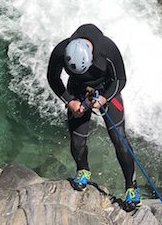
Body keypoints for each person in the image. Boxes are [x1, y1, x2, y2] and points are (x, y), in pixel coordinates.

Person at [47, 23, 140, 209]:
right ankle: (83, 170)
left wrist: (104, 99)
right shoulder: (61, 51)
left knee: (119, 140)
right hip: (78, 92)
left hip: (105, 90)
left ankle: (131, 187)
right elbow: (53, 77)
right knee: (77, 141)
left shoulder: (107, 49)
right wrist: (69, 101)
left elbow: (120, 79)